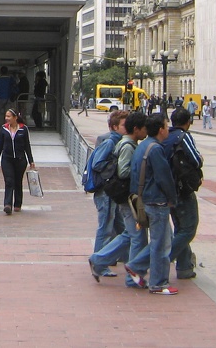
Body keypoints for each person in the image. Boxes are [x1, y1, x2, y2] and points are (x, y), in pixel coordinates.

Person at [88, 111, 148, 286]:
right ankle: (121, 269)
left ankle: (100, 260)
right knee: (112, 229)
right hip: (117, 193)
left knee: (128, 232)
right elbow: (100, 164)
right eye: (123, 124)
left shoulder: (121, 142)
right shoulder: (118, 143)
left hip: (120, 195)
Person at [124, 114, 179, 295]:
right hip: (157, 201)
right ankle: (158, 282)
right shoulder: (156, 149)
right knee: (161, 245)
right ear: (160, 129)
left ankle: (136, 265)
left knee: (160, 241)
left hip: (145, 199)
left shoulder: (143, 147)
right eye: (166, 126)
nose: (168, 129)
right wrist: (173, 198)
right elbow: (165, 177)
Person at [165, 108, 203, 280]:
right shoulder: (183, 136)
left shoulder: (165, 136)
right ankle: (161, 261)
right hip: (183, 189)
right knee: (188, 229)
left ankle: (185, 266)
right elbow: (195, 159)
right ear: (188, 122)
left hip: (170, 189)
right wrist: (200, 159)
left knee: (180, 227)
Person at [89, 110, 129, 277]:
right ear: (114, 127)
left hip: (110, 192)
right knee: (105, 226)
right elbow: (97, 164)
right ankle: (99, 262)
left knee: (120, 226)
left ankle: (124, 258)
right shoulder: (110, 142)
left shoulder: (117, 141)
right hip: (105, 191)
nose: (127, 128)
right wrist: (114, 170)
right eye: (124, 125)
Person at [0, 108, 35, 215]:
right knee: (9, 181)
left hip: (20, 160)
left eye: (9, 116)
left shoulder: (23, 129)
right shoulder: (4, 129)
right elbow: (0, 143)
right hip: (7, 159)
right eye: (6, 116)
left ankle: (17, 203)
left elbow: (27, 145)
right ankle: (7, 204)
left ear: (15, 118)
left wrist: (31, 161)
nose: (6, 118)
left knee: (18, 182)